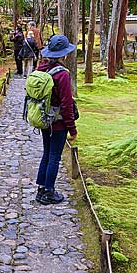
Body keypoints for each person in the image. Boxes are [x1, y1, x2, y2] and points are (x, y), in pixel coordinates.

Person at [35, 35, 78, 205]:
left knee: (47, 153)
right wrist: (72, 129)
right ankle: (49, 192)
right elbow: (66, 105)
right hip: (58, 123)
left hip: (44, 119)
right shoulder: (62, 75)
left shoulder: (41, 69)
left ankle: (41, 189)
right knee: (54, 156)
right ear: (63, 54)